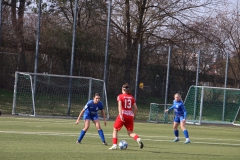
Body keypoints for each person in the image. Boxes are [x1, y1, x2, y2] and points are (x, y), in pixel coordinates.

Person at [109, 83, 144, 150]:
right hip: (130, 116)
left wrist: (120, 114)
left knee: (115, 129)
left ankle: (114, 145)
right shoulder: (131, 97)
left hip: (123, 115)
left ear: (122, 89)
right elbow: (136, 108)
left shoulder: (120, 96)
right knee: (130, 132)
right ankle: (138, 138)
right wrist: (133, 115)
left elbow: (119, 106)